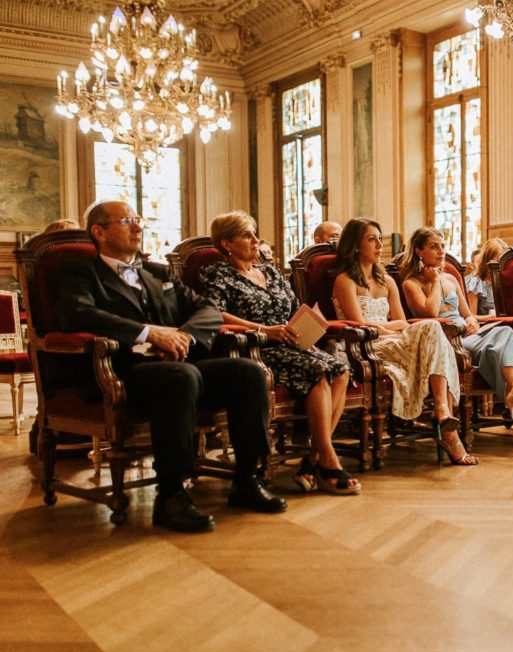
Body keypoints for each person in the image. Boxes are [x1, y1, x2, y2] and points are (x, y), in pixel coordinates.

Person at [56, 200, 287, 533]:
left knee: (248, 372)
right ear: (99, 232)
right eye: (127, 221)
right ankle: (171, 495)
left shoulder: (157, 272)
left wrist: (184, 338)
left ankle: (247, 479)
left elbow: (207, 309)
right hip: (121, 368)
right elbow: (77, 313)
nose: (138, 227)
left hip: (177, 362)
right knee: (182, 376)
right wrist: (151, 334)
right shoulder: (80, 271)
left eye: (139, 220)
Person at [200, 211, 361, 495]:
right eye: (246, 235)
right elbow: (215, 313)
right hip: (255, 348)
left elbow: (294, 310)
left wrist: (307, 330)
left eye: (254, 233)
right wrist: (264, 329)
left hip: (290, 343)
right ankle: (329, 462)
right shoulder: (217, 273)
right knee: (320, 371)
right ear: (226, 244)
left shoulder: (271, 273)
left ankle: (314, 460)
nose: (255, 240)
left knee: (341, 369)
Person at [332, 218, 477, 465]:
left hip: (393, 339)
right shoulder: (345, 281)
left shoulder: (387, 281)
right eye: (371, 239)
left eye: (380, 238)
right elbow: (360, 326)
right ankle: (448, 430)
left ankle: (442, 409)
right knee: (430, 333)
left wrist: (391, 327)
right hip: (365, 346)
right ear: (355, 245)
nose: (380, 244)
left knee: (430, 326)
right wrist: (391, 328)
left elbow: (404, 321)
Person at [400, 228, 513, 446]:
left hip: (468, 334)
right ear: (418, 250)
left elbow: (467, 313)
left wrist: (471, 321)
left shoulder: (451, 278)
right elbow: (430, 314)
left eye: (442, 246)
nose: (441, 251)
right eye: (434, 246)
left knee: (504, 335)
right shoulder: (411, 283)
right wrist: (434, 282)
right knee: (496, 347)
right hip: (444, 340)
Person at [465, 237, 508, 316]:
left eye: (502, 260)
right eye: (497, 260)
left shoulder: (504, 281)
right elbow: (471, 316)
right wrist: (492, 317)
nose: (500, 264)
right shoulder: (475, 283)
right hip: (484, 325)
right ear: (486, 260)